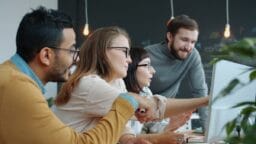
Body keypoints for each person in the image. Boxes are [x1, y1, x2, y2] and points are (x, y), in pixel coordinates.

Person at [0, 7, 152, 144]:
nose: (77, 58)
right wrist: (127, 102)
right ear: (46, 55)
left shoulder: (11, 77)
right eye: (72, 50)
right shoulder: (18, 88)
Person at [53, 26, 208, 144]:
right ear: (102, 52)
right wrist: (207, 100)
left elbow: (120, 123)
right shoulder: (89, 84)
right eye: (124, 52)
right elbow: (152, 108)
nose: (129, 60)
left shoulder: (117, 82)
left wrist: (130, 140)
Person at [124, 47, 208, 135]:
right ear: (130, 67)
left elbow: (152, 124)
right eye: (146, 65)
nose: (153, 71)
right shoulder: (118, 93)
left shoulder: (145, 91)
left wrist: (170, 126)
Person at [145, 15, 208, 130]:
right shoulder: (147, 56)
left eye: (193, 42)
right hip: (143, 116)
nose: (188, 47)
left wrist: (208, 129)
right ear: (170, 36)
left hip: (168, 117)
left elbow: (200, 91)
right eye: (184, 40)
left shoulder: (192, 55)